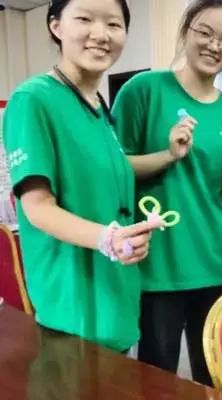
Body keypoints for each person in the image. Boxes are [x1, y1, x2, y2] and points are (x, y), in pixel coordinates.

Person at [112, 0, 222, 385]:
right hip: (160, 267)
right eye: (205, 32)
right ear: (186, 30)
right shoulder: (144, 90)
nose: (214, 46)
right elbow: (114, 169)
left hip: (219, 263)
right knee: (157, 378)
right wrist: (168, 155)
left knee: (216, 378)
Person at [2, 0, 160, 352]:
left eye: (114, 24)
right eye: (85, 19)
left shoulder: (101, 109)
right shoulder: (33, 100)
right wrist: (108, 238)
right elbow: (37, 207)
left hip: (116, 295)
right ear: (56, 26)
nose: (100, 34)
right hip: (72, 308)